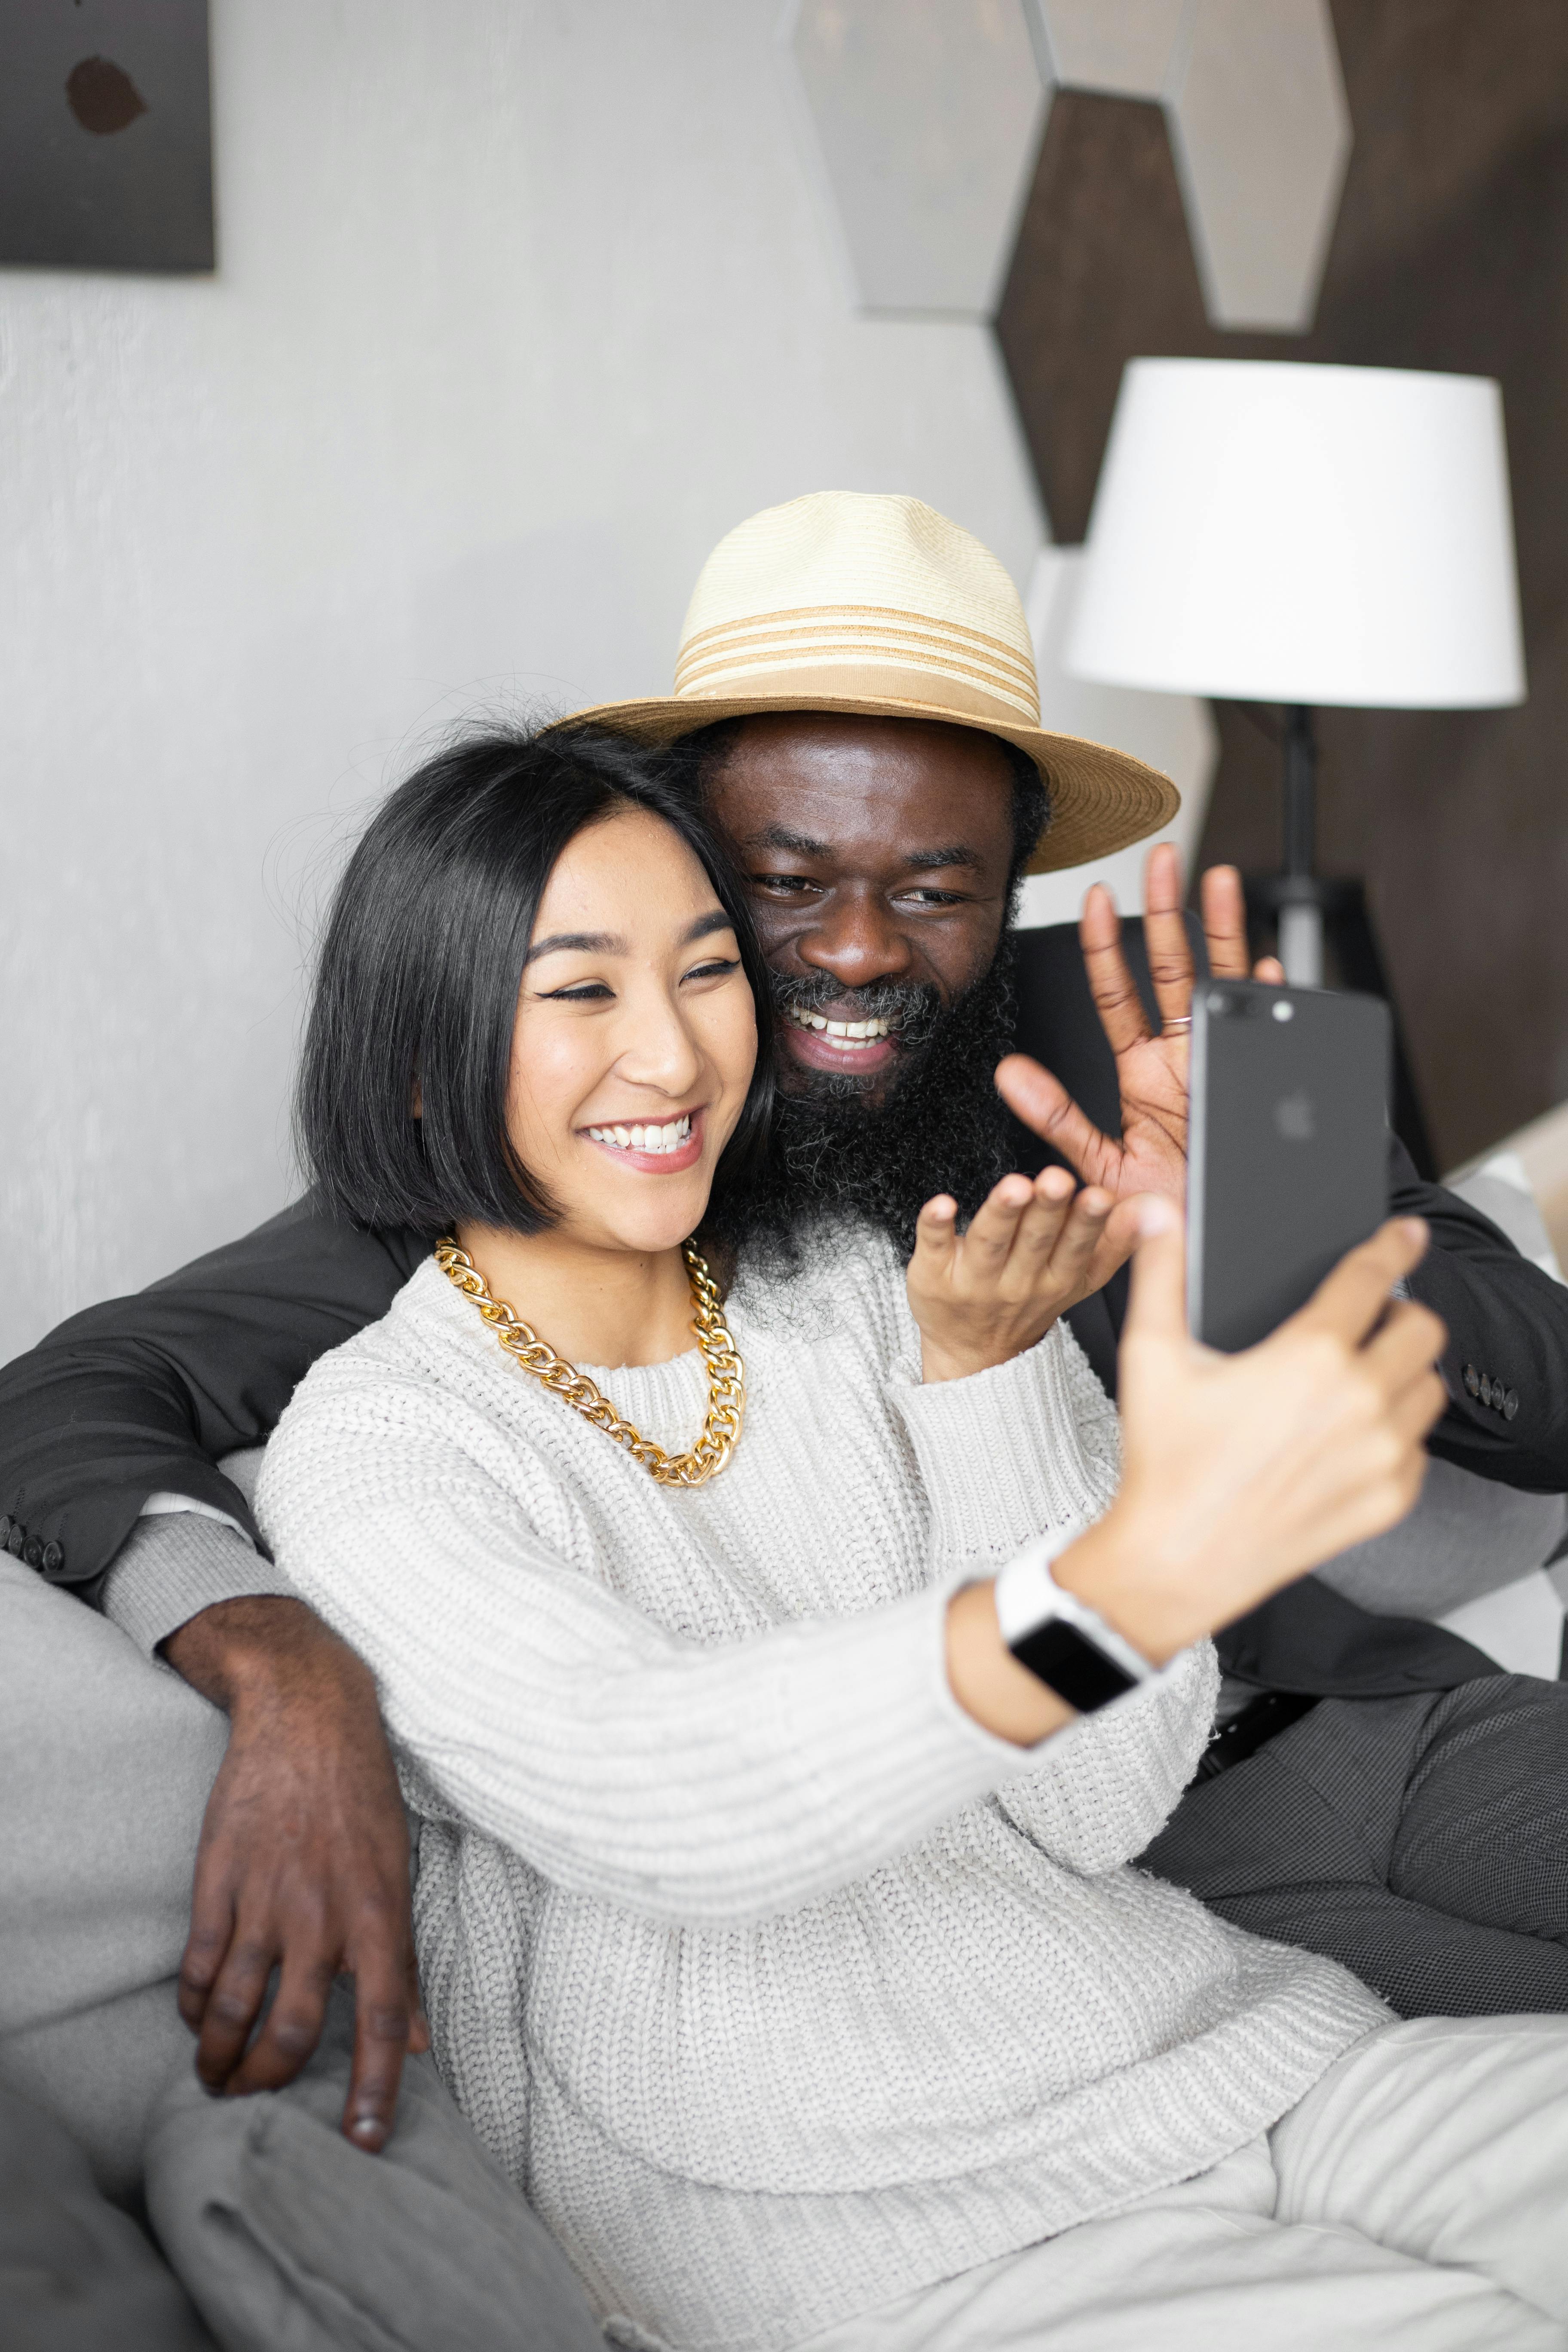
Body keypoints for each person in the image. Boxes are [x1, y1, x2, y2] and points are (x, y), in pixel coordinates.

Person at [5, 493, 1568, 2156]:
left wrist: (1278, 1227)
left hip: (1376, 1700)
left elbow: (1536, 1385)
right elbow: (76, 1396)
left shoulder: (1136, 1036)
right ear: (684, 860)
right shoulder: (587, 1150)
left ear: (1014, 889)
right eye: (784, 881)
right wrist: (279, 1656)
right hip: (1106, 1860)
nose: (852, 948)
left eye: (937, 889)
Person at [251, 716, 1568, 2352]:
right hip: (880, 2234)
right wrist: (1122, 1579)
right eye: (582, 989)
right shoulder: (381, 1447)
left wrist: (989, 1383)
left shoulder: (874, 1279)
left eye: (705, 971)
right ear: (422, 1054)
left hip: (1251, 2058)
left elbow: (1101, 1804)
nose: (670, 1057)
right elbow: (670, 1789)